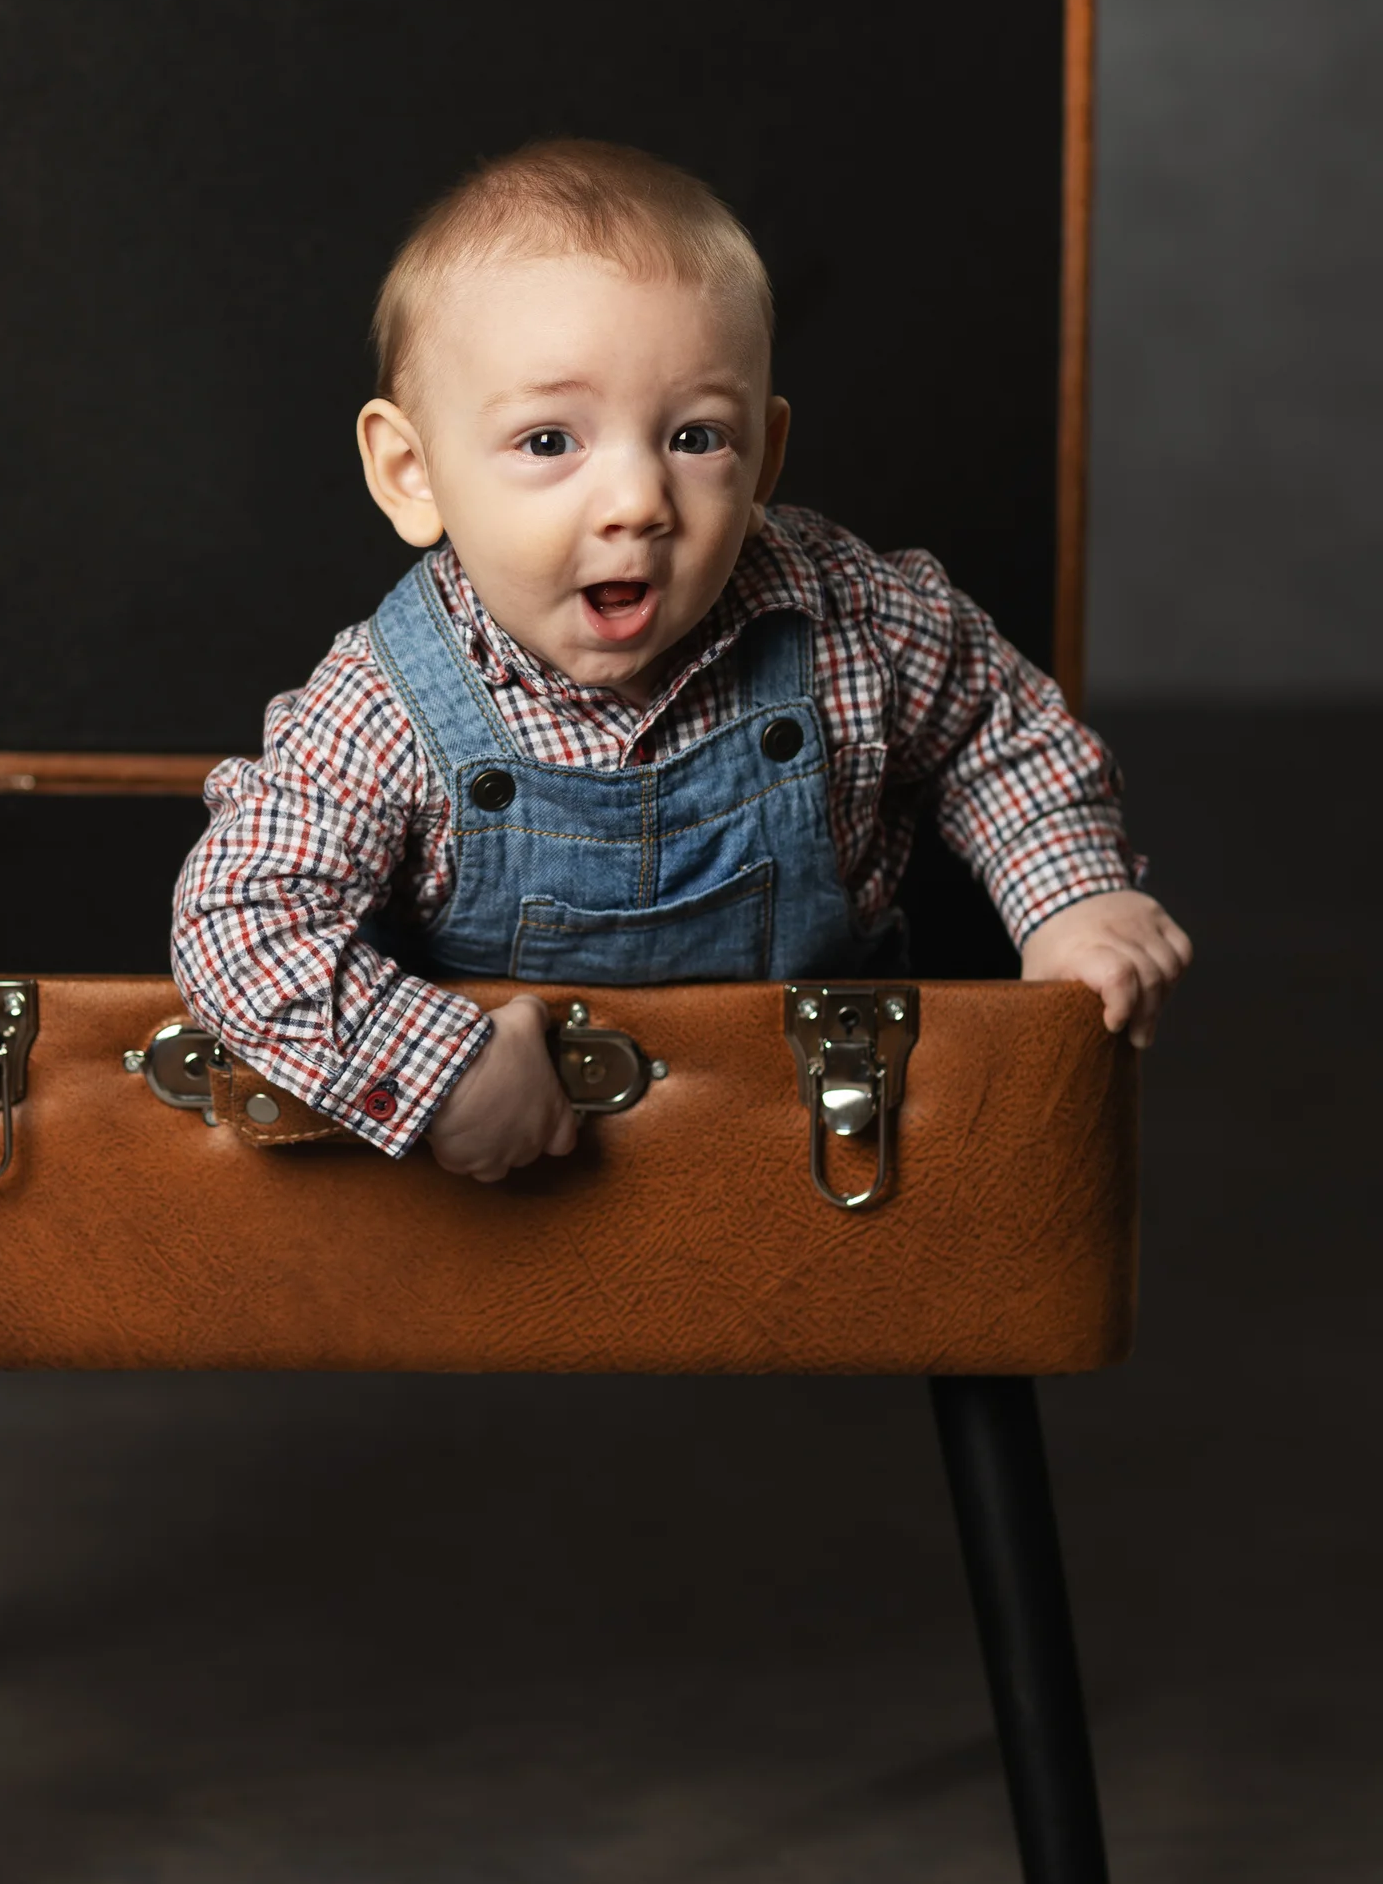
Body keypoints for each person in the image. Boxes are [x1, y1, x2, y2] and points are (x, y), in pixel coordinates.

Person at [170, 140, 1191, 1182]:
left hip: (812, 1157)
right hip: (503, 1191)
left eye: (695, 438)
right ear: (410, 473)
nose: (637, 504)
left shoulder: (845, 616)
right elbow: (239, 923)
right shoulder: (383, 708)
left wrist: (1068, 901)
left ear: (765, 456)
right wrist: (438, 1073)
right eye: (547, 442)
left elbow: (995, 733)